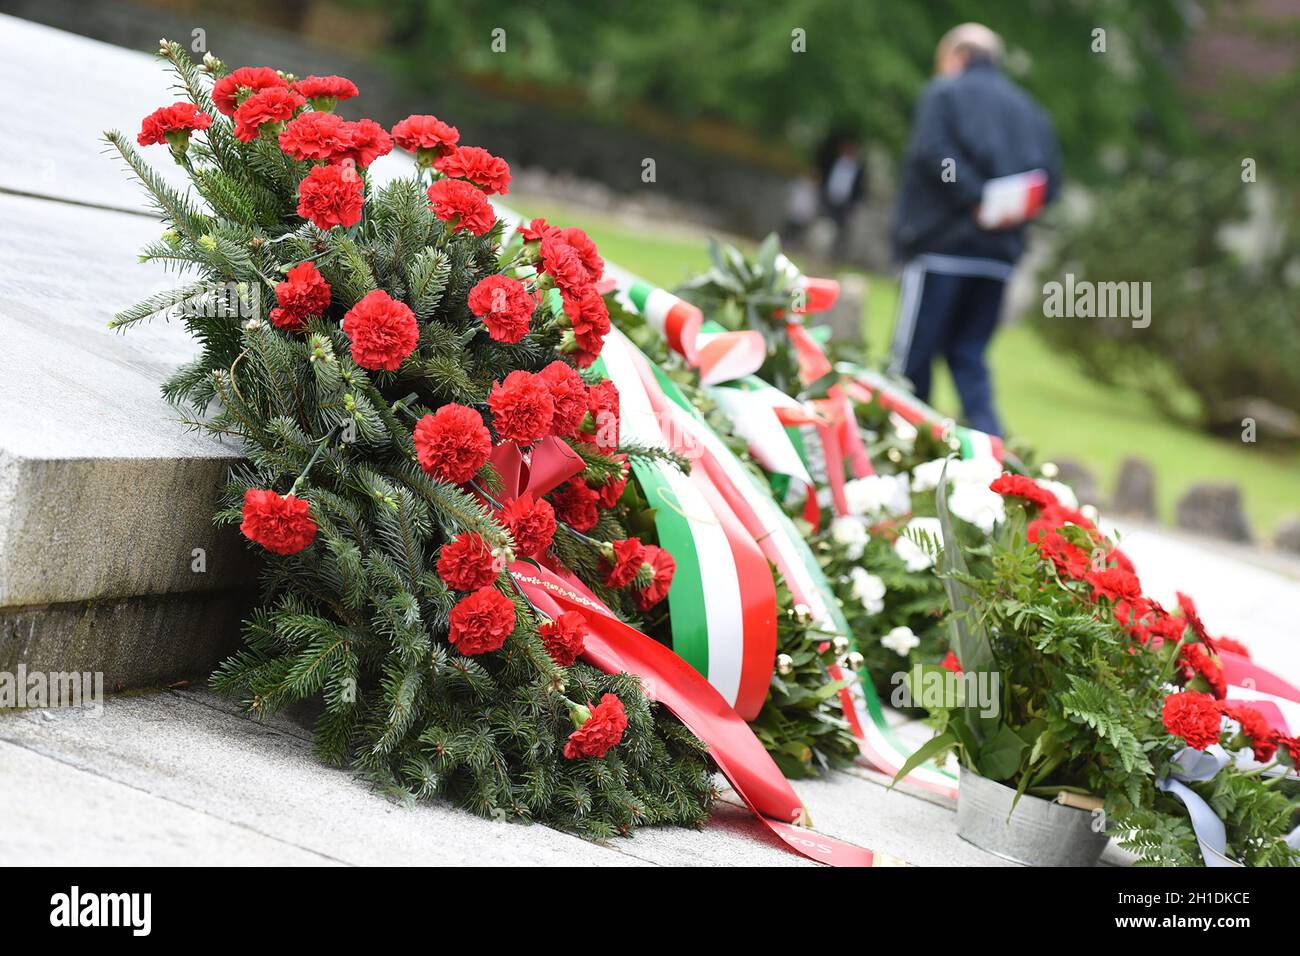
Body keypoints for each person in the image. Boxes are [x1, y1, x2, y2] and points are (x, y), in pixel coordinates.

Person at [889, 23, 1060, 437]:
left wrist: (977, 198)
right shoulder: (1032, 112)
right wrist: (1005, 207)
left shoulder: (944, 94)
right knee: (969, 357)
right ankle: (992, 451)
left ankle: (905, 445)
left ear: (957, 56)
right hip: (997, 258)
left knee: (912, 360)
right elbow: (1050, 182)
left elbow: (932, 154)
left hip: (941, 250)